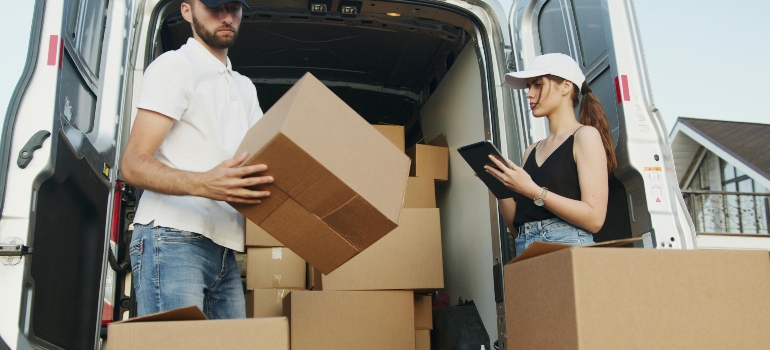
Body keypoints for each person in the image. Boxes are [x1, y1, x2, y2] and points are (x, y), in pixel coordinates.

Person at [121, 0, 271, 319]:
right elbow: (132, 163)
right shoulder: (176, 66)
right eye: (216, 6)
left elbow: (266, 161)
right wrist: (205, 183)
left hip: (224, 249)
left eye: (234, 7)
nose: (227, 16)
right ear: (188, 12)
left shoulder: (245, 87)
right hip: (172, 236)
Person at [486, 53, 616, 257]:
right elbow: (518, 228)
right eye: (529, 87)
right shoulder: (531, 150)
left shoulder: (585, 136)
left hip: (569, 248)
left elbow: (595, 218)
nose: (529, 94)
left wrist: (534, 191)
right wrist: (498, 186)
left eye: (538, 85)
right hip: (526, 249)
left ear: (565, 87)